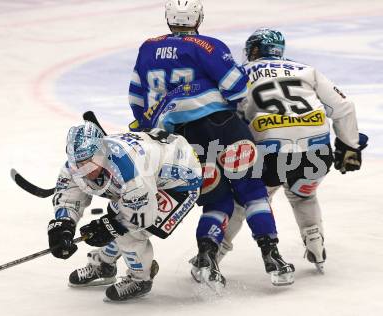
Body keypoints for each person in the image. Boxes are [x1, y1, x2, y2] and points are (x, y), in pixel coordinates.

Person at [128, 0, 294, 289]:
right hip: (223, 126)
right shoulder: (208, 46)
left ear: (168, 18)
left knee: (216, 199)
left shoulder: (147, 48)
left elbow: (136, 100)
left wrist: (150, 126)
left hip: (181, 140)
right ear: (199, 18)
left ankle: (207, 257)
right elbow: (237, 87)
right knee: (253, 191)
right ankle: (272, 256)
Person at [219, 28, 368, 273]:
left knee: (246, 201)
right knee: (303, 194)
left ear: (254, 50)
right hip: (316, 152)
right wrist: (350, 146)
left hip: (271, 152)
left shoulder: (239, 74)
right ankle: (316, 243)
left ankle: (215, 252)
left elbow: (228, 114)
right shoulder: (306, 70)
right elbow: (344, 107)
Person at [47, 117, 202, 301]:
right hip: (150, 173)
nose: (84, 171)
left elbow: (142, 216)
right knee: (115, 220)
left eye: (89, 162)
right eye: (78, 164)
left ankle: (141, 279)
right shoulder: (78, 166)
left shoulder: (130, 169)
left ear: (101, 151)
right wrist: (63, 224)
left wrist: (108, 227)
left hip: (180, 181)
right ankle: (105, 265)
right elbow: (68, 196)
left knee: (130, 233)